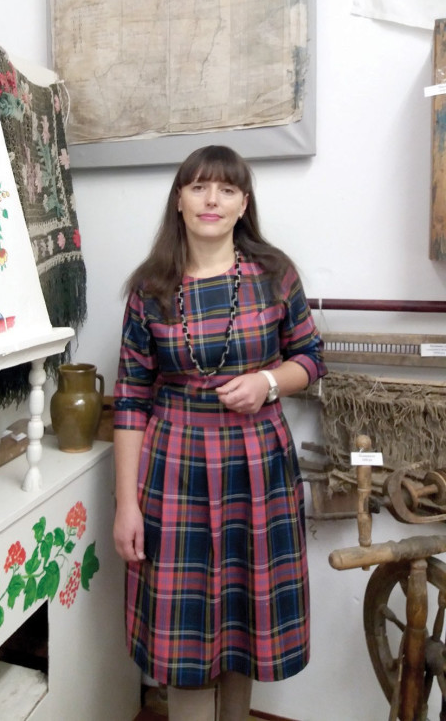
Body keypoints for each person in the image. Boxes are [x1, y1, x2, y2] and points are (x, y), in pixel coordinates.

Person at [112, 145, 326, 721]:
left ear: (243, 205)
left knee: (243, 616)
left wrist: (268, 382)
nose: (212, 200)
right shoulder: (150, 289)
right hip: (174, 469)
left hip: (257, 467)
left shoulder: (275, 275)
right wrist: (126, 505)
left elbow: (311, 358)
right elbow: (130, 399)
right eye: (199, 187)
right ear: (179, 201)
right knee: (184, 630)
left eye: (227, 189)